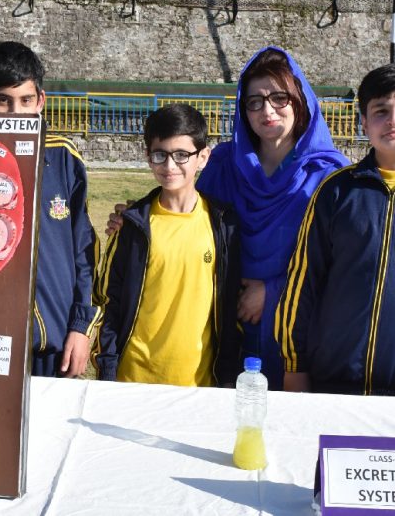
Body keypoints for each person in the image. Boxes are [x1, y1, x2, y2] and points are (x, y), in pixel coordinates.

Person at [107, 47, 349, 389]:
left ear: (300, 99)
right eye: (254, 101)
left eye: (279, 97)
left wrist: (273, 291)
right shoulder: (224, 165)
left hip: (297, 331)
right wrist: (134, 217)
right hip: (224, 330)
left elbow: (342, 265)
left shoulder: (330, 177)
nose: (267, 110)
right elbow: (187, 209)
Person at [0, 41, 101, 377]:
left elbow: (83, 250)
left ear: (41, 101)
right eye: (3, 100)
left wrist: (80, 326)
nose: (16, 114)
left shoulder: (63, 158)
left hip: (56, 343)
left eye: (25, 100)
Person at [92, 104, 241, 386]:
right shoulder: (131, 226)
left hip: (200, 385)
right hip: (133, 379)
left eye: (182, 155)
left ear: (203, 157)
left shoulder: (224, 225)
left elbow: (231, 307)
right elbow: (109, 302)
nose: (170, 166)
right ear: (147, 156)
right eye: (160, 155)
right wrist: (108, 371)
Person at [275, 63, 395, 395]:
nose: (392, 121)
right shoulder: (337, 191)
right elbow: (302, 284)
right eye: (381, 111)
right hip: (335, 382)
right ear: (364, 122)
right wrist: (294, 366)